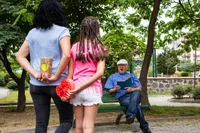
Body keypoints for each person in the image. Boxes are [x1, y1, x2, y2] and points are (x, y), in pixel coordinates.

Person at [16, 0, 73, 133]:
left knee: (41, 124)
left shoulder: (32, 33)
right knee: (66, 121)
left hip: (36, 85)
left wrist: (35, 74)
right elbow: (67, 55)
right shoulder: (62, 31)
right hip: (58, 85)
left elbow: (19, 55)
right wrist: (55, 76)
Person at [66, 16, 107, 133]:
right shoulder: (99, 48)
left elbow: (70, 74)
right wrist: (81, 87)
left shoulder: (74, 47)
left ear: (82, 29)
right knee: (88, 126)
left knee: (78, 125)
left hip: (76, 90)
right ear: (96, 30)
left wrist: (72, 89)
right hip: (92, 89)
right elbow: (100, 73)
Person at [104, 59, 151, 133]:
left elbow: (139, 88)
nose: (121, 67)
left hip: (133, 95)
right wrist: (115, 89)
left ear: (126, 67)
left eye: (123, 65)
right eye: (119, 65)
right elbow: (109, 90)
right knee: (137, 106)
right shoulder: (113, 77)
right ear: (117, 67)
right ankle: (145, 128)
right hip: (123, 98)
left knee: (137, 92)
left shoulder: (131, 75)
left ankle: (129, 115)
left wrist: (132, 89)